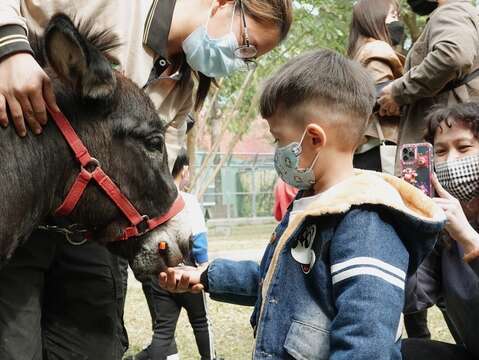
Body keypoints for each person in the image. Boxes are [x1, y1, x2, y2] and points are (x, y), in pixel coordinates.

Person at [0, 1, 293, 359]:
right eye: (246, 44)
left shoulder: (186, 89)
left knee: (95, 348)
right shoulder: (118, 6)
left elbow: (156, 177)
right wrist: (9, 48)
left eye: (249, 58)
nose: (238, 59)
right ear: (222, 4)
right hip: (20, 206)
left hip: (91, 232)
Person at [158, 49, 446, 359]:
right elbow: (279, 280)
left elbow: (367, 340)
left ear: (314, 139)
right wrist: (206, 275)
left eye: (278, 138)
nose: (277, 150)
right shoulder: (311, 204)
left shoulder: (365, 223)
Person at [401, 102, 479, 360]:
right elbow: (411, 300)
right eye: (441, 152)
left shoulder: (460, 232)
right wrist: (408, 233)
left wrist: (469, 240)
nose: (452, 161)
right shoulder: (442, 231)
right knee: (404, 352)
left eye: (464, 147)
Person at [129, 149, 215, 360]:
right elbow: (199, 240)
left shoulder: (150, 202)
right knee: (201, 323)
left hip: (161, 276)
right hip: (187, 274)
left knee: (163, 331)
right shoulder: (187, 200)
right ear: (184, 170)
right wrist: (203, 267)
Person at [378, 0, 479, 160]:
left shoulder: (451, 11)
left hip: (447, 148)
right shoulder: (466, 15)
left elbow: (452, 56)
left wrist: (398, 92)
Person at [347, 0, 405, 173]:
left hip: (365, 145)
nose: (397, 22)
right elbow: (382, 97)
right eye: (393, 15)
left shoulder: (359, 52)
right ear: (375, 18)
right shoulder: (377, 49)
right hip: (379, 145)